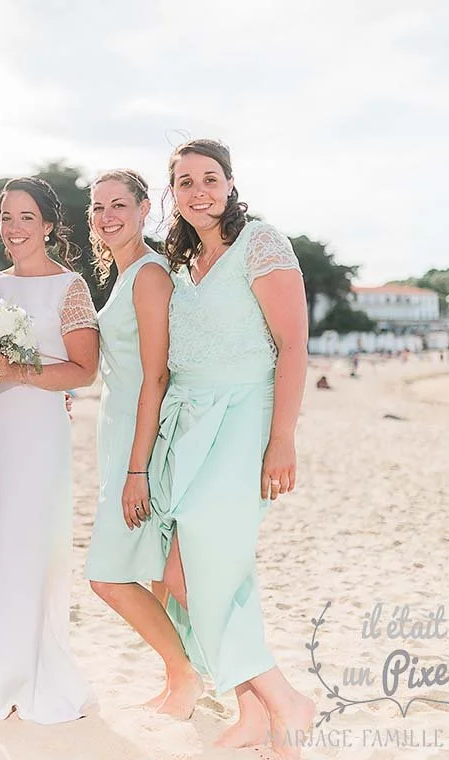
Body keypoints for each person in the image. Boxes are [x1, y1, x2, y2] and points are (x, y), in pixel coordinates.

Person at [150, 139, 315, 758]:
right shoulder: (182, 260)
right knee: (184, 576)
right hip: (189, 427)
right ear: (173, 193)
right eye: (185, 182)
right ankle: (254, 708)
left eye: (209, 179)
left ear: (229, 183)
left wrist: (282, 440)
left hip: (246, 422)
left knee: (206, 568)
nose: (199, 192)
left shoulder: (263, 243)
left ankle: (283, 700)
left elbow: (294, 346)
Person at [0, 177, 99, 724]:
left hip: (37, 428)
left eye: (24, 218)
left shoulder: (70, 288)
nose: (14, 229)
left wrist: (20, 371)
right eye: (6, 218)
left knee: (24, 540)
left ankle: (24, 669)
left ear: (46, 225)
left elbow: (83, 370)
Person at [82, 170, 203, 717]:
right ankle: (181, 679)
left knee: (108, 574)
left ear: (144, 208)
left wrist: (138, 471)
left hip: (143, 439)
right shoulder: (125, 274)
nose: (108, 216)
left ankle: (185, 673)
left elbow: (157, 376)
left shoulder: (151, 275)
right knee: (156, 570)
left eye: (118, 205)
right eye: (98, 207)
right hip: (120, 434)